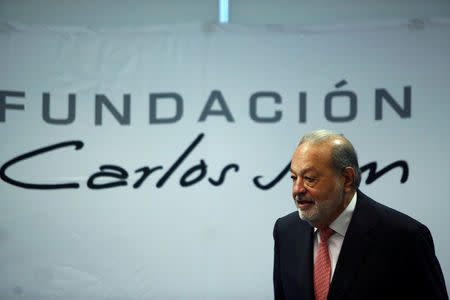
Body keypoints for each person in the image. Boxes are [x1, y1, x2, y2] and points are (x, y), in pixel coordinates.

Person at [273, 129, 448, 300]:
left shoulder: (405, 237)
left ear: (347, 179)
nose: (297, 189)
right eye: (294, 178)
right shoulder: (286, 231)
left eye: (310, 178)